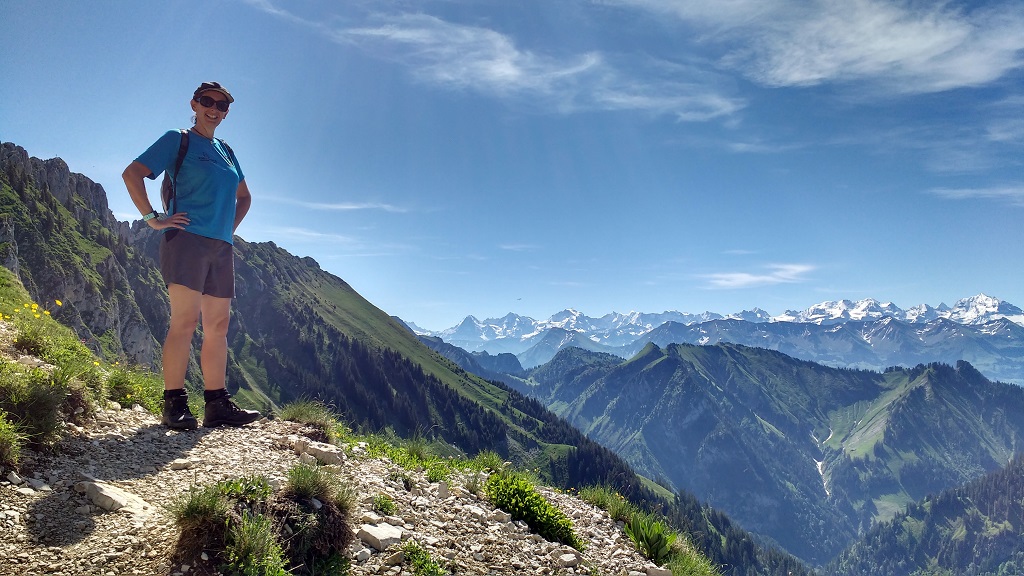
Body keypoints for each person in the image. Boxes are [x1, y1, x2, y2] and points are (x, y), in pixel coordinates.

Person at [123, 81, 261, 430]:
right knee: (184, 322)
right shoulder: (179, 139)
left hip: (220, 246)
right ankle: (174, 405)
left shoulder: (227, 151)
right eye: (207, 102)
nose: (214, 109)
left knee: (218, 325)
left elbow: (244, 196)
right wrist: (153, 218)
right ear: (195, 104)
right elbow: (132, 173)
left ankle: (217, 404)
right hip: (186, 240)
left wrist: (229, 228)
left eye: (222, 105)